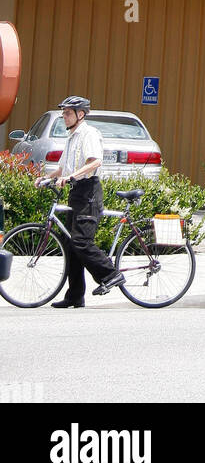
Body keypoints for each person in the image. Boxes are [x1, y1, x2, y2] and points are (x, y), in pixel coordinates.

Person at [37, 96, 123, 308]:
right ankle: (75, 296)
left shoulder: (89, 134)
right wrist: (47, 178)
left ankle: (110, 274)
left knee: (81, 241)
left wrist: (71, 176)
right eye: (64, 113)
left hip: (89, 192)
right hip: (76, 192)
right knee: (69, 244)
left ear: (80, 114)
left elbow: (95, 162)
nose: (64, 117)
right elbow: (62, 168)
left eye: (68, 113)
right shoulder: (71, 137)